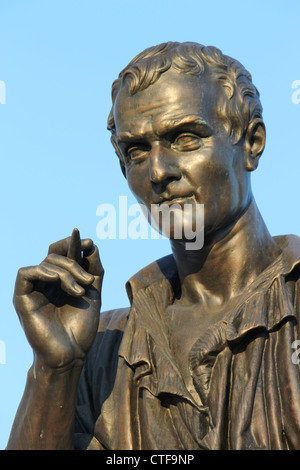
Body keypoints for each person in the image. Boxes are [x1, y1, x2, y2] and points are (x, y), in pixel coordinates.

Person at [7, 42, 300, 450]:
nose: (158, 171)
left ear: (251, 143)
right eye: (137, 151)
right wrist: (57, 369)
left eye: (184, 137)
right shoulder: (105, 346)